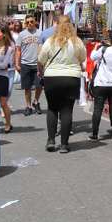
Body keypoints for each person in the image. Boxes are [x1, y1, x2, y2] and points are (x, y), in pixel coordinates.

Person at [38, 16, 86, 153]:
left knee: (52, 109)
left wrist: (41, 72)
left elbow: (41, 59)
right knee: (66, 110)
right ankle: (64, 144)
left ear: (57, 26)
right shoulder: (77, 42)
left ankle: (51, 140)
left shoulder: (50, 41)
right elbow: (83, 58)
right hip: (71, 78)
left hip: (52, 78)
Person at [17, 16, 44, 116]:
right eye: (27, 22)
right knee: (27, 87)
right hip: (25, 64)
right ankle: (28, 106)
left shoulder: (40, 33)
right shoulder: (21, 34)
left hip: (38, 64)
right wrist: (17, 63)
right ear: (25, 23)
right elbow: (18, 50)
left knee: (39, 85)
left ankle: (36, 102)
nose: (29, 24)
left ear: (35, 22)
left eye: (31, 21)